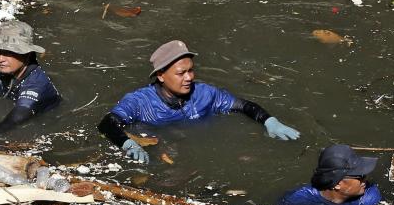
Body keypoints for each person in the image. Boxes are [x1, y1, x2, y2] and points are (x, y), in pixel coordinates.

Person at [97, 40, 300, 163]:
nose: (189, 77)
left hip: (198, 150)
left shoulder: (205, 94)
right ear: (160, 75)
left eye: (191, 70)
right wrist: (127, 144)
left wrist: (268, 120)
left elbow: (243, 106)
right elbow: (107, 123)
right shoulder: (140, 102)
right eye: (181, 73)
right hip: (162, 149)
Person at [0, 20, 61, 134]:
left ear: (27, 54)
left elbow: (15, 120)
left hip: (43, 125)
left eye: (9, 52)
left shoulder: (36, 85)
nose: (0, 59)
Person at [277, 144, 383, 205]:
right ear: (337, 184)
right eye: (360, 177)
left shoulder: (369, 198)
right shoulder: (297, 198)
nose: (365, 180)